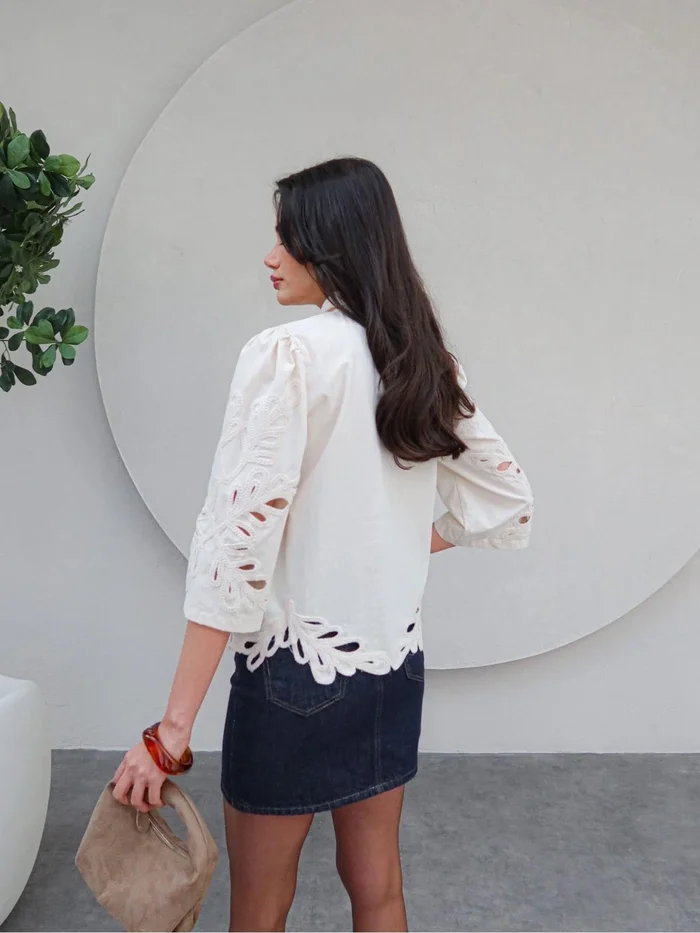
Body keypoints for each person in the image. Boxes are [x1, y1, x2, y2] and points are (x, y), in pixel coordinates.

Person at [112, 157, 533, 933]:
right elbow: (503, 498)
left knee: (260, 904)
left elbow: (234, 553)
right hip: (390, 668)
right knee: (378, 887)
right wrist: (389, 544)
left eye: (288, 238)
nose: (270, 257)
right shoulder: (422, 360)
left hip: (291, 675)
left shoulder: (289, 355)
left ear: (333, 245)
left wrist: (170, 732)